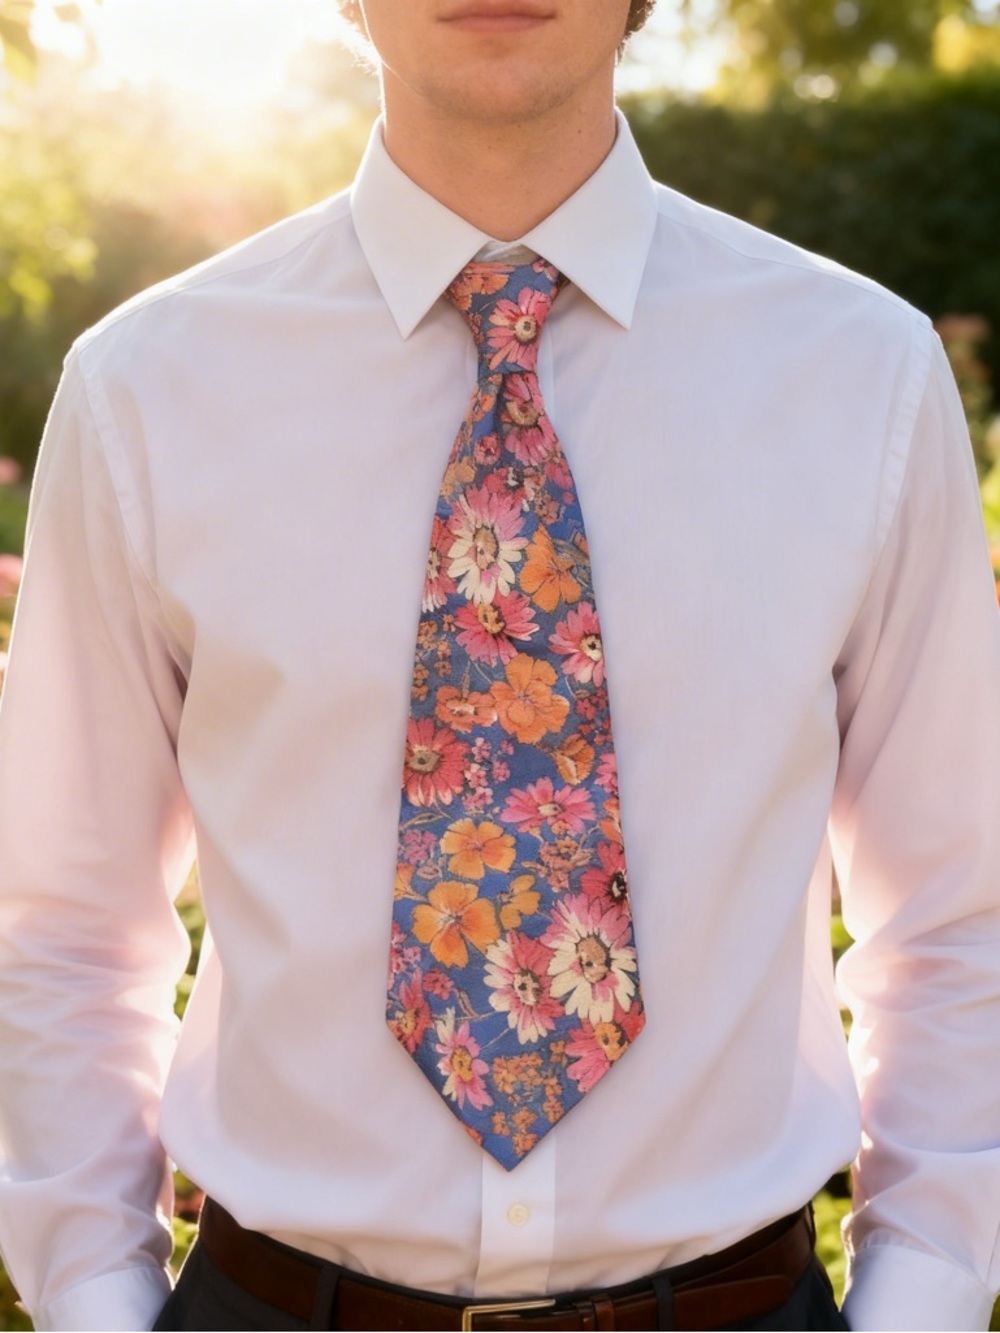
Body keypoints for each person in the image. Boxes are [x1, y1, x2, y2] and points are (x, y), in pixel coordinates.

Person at [1, 0, 998, 1328]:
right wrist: (92, 1299)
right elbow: (59, 927)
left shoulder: (863, 379)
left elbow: (959, 918)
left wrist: (921, 1296)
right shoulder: (145, 393)